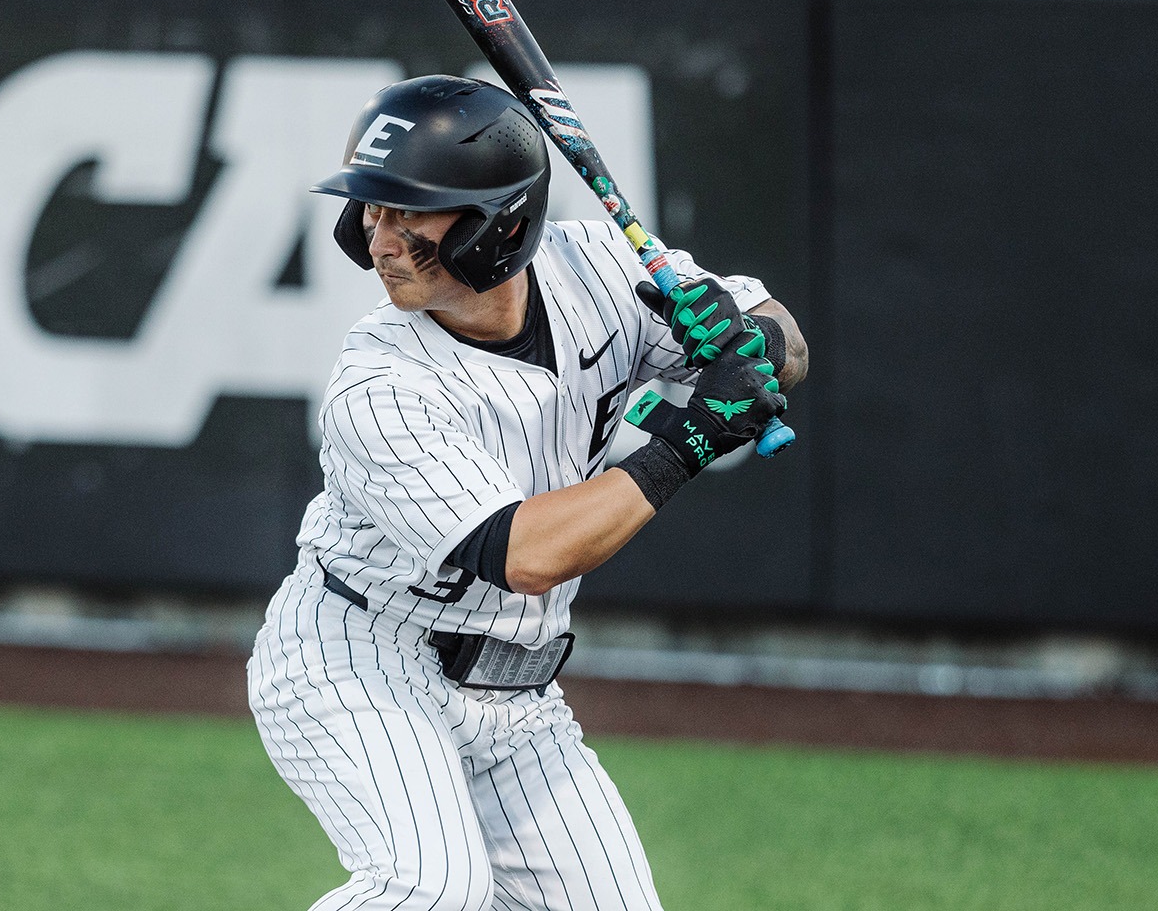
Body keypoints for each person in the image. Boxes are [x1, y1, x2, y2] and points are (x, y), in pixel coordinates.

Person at [247, 75, 808, 910]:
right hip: (360, 660)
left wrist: (745, 337)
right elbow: (528, 555)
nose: (382, 240)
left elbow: (788, 344)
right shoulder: (380, 384)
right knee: (430, 891)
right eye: (374, 210)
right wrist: (692, 439)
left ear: (499, 225)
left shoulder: (602, 268)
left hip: (517, 692)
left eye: (411, 213)